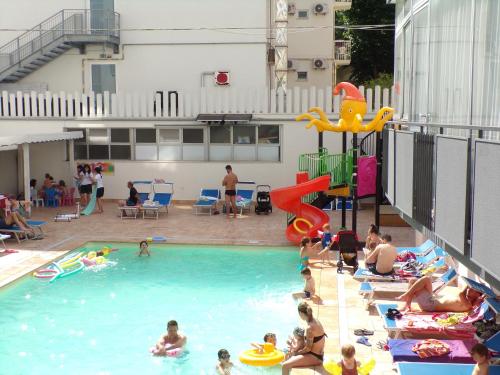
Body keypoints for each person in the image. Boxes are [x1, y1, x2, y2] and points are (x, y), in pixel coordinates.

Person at [281, 302, 326, 374]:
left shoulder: (310, 328)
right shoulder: (315, 320)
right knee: (290, 355)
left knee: (285, 366)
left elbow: (308, 348)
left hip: (315, 357)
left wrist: (296, 353)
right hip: (318, 354)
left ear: (301, 313)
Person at [396, 276, 484, 312]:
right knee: (415, 280)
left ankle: (406, 299)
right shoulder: (466, 299)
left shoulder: (468, 305)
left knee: (424, 279)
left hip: (429, 305)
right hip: (432, 300)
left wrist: (467, 285)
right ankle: (407, 303)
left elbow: (461, 293)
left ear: (477, 295)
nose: (468, 290)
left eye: (472, 290)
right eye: (469, 288)